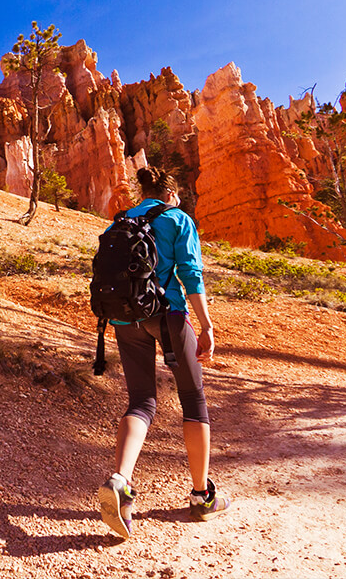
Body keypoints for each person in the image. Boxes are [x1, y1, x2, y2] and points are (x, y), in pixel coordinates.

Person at [97, 166, 230, 539]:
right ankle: (202, 495)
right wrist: (206, 326)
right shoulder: (177, 218)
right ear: (171, 194)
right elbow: (191, 274)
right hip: (169, 315)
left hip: (125, 319)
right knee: (193, 398)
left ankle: (120, 481)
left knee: (141, 401)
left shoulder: (120, 222)